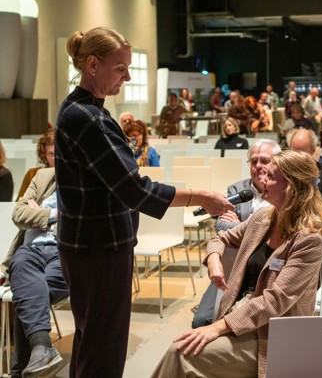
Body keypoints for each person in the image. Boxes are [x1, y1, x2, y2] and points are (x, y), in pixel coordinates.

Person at [55, 27, 233, 378]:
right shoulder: (85, 117)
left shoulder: (89, 110)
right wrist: (201, 197)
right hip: (98, 249)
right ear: (93, 64)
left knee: (93, 342)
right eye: (120, 68)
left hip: (95, 246)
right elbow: (133, 190)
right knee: (103, 350)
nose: (128, 76)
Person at [152, 150, 322, 378]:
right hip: (240, 314)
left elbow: (273, 302)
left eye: (271, 176)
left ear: (292, 187)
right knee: (183, 349)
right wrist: (214, 260)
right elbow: (220, 238)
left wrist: (216, 327)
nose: (262, 180)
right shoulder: (264, 217)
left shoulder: (309, 241)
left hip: (272, 333)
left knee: (181, 353)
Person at [192, 139, 280, 328]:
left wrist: (241, 225)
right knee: (201, 321)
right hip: (232, 266)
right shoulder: (237, 190)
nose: (258, 166)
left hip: (266, 269)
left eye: (264, 161)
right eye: (253, 161)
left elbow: (276, 232)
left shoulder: (282, 193)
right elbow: (221, 228)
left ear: (276, 162)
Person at [5, 167, 69, 378]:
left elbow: (85, 218)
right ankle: (42, 349)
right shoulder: (43, 176)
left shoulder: (88, 177)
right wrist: (54, 215)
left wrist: (39, 213)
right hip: (29, 250)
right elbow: (18, 214)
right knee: (27, 283)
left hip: (64, 251)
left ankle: (21, 369)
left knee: (28, 295)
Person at [15, 131, 55, 201]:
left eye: (57, 153)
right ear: (44, 155)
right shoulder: (32, 173)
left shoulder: (69, 175)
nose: (54, 158)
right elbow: (19, 202)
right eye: (50, 154)